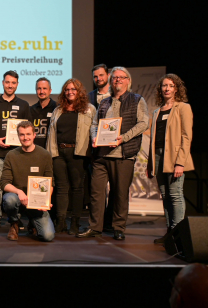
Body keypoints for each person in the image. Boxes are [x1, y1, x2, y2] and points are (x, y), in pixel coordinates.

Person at [77, 66, 149, 240]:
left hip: (123, 154)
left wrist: (122, 138)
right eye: (115, 78)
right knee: (96, 193)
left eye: (121, 77)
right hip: (101, 155)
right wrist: (94, 137)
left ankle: (118, 228)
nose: (117, 80)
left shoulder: (137, 100)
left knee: (119, 193)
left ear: (128, 80)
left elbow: (143, 124)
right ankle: (95, 227)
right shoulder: (104, 102)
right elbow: (95, 124)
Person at [147, 74, 193, 244]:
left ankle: (179, 234)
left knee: (175, 194)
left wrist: (180, 162)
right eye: (164, 86)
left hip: (174, 157)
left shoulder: (183, 107)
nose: (166, 88)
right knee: (165, 195)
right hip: (158, 157)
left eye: (170, 86)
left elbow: (186, 137)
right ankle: (170, 232)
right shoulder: (157, 111)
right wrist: (151, 164)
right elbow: (153, 140)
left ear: (176, 89)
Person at [46, 79, 95, 235]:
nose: (70, 92)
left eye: (73, 89)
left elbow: (94, 129)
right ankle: (61, 222)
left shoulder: (89, 109)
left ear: (79, 91)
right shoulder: (58, 110)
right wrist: (51, 154)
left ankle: (75, 222)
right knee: (61, 188)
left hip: (77, 153)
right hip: (58, 152)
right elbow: (51, 133)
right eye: (67, 90)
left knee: (77, 188)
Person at [0, 70, 30, 229]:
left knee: (18, 185)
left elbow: (28, 130)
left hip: (18, 153)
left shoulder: (24, 105)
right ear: (3, 83)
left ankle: (16, 218)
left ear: (17, 85)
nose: (10, 85)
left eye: (13, 83)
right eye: (7, 82)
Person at [1, 121, 55, 241]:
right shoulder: (11, 155)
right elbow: (4, 183)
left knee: (48, 236)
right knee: (9, 199)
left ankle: (32, 222)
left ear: (34, 135)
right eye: (22, 135)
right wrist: (19, 192)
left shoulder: (45, 155)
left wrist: (46, 201)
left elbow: (50, 182)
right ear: (18, 136)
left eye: (28, 134)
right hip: (18, 200)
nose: (25, 138)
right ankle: (14, 224)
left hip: (36, 202)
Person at [88, 64, 113, 232]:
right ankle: (98, 223)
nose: (99, 79)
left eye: (101, 75)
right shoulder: (89, 97)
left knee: (116, 189)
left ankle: (110, 223)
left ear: (108, 75)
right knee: (97, 189)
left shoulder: (118, 95)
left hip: (115, 147)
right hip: (95, 149)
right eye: (96, 76)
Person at [30, 77, 57, 148]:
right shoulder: (31, 109)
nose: (41, 91)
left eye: (44, 88)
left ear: (50, 91)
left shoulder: (57, 108)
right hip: (34, 151)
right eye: (39, 88)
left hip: (51, 151)